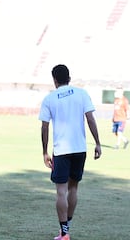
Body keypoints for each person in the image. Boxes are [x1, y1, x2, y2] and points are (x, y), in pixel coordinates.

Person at [39, 64, 101, 240]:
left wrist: (44, 151)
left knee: (61, 191)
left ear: (54, 80)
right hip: (80, 148)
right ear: (69, 78)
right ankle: (66, 229)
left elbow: (44, 126)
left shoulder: (50, 98)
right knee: (73, 188)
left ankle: (64, 233)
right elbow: (90, 119)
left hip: (61, 150)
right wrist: (98, 143)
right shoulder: (81, 94)